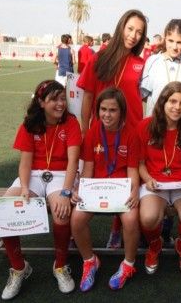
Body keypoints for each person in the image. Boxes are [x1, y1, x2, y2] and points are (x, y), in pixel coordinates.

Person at [0, 80, 82, 300]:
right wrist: (25, 187)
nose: (60, 103)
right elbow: (25, 164)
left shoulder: (71, 123)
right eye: (54, 99)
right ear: (41, 102)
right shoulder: (29, 124)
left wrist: (66, 192)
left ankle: (60, 266)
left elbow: (73, 162)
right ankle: (19, 268)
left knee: (61, 211)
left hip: (61, 175)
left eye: (63, 98)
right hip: (34, 175)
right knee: (5, 209)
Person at [71, 88, 140, 292]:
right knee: (77, 219)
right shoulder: (93, 131)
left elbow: (132, 170)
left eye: (112, 110)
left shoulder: (131, 134)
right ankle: (90, 261)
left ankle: (128, 265)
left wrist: (135, 190)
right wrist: (80, 187)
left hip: (121, 187)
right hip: (96, 188)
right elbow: (88, 168)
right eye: (102, 109)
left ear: (122, 112)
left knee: (130, 219)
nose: (107, 115)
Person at [138, 81, 181, 277]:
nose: (177, 107)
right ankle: (155, 244)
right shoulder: (145, 126)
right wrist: (147, 179)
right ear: (163, 102)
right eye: (172, 101)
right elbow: (139, 163)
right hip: (154, 182)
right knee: (148, 218)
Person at [77, 9, 147, 135]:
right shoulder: (98, 59)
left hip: (131, 134)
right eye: (130, 29)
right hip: (101, 131)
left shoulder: (141, 64)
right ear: (121, 28)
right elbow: (87, 97)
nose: (133, 35)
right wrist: (85, 130)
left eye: (139, 32)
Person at [141, 19, 181, 118]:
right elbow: (144, 95)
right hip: (155, 121)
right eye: (171, 41)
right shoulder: (153, 61)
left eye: (180, 42)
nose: (174, 47)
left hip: (180, 123)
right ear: (165, 38)